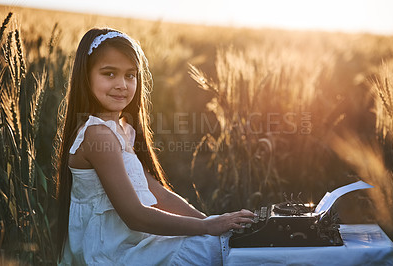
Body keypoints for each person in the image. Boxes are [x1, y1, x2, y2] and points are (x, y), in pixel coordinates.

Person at [55, 27, 255, 265]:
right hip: (112, 253)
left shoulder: (121, 129)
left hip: (132, 243)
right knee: (217, 251)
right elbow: (135, 216)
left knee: (220, 243)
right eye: (109, 74)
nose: (122, 84)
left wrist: (210, 224)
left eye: (130, 75)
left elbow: (157, 193)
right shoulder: (97, 135)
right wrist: (206, 226)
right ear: (85, 76)